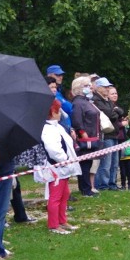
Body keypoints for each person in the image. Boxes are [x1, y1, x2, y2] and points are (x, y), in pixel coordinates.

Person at [41, 99, 83, 233]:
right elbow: (53, 149)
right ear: (54, 112)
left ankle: (62, 220)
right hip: (56, 167)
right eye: (59, 111)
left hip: (64, 167)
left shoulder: (57, 126)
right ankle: (53, 225)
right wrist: (65, 159)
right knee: (56, 196)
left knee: (65, 194)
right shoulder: (47, 129)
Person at [69, 76, 101, 197]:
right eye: (87, 85)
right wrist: (83, 133)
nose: (90, 87)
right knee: (84, 164)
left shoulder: (86, 101)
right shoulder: (78, 102)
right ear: (80, 88)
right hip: (84, 138)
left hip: (93, 136)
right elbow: (77, 120)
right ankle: (85, 189)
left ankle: (87, 188)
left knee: (88, 163)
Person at [92, 77, 122, 191]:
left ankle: (112, 183)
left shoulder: (108, 100)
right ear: (99, 88)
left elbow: (118, 112)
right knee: (106, 163)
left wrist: (116, 112)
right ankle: (103, 185)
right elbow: (108, 113)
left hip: (114, 133)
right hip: (106, 135)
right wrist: (115, 112)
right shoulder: (96, 100)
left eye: (108, 86)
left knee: (114, 163)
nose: (107, 88)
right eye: (105, 87)